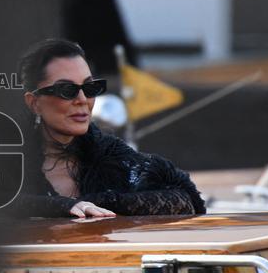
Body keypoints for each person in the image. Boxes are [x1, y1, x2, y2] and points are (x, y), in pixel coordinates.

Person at [14, 38, 205, 219]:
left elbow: (188, 199)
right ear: (34, 103)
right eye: (66, 90)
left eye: (89, 87)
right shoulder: (4, 157)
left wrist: (99, 203)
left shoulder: (112, 156)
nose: (82, 100)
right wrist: (59, 206)